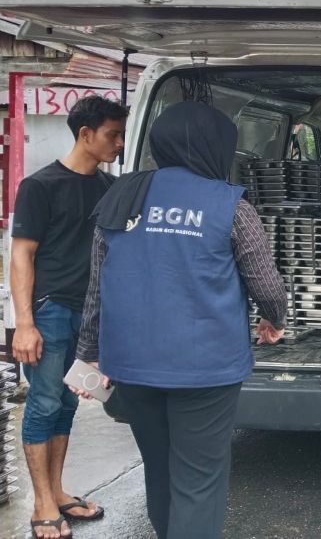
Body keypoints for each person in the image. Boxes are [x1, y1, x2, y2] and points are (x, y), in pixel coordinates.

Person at [71, 102, 288, 539]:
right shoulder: (229, 204)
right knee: (199, 480)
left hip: (133, 365)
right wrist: (274, 318)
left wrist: (88, 355)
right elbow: (265, 281)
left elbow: (98, 286)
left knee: (160, 467)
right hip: (205, 370)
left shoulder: (122, 196)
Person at [10, 96, 125, 539]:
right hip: (49, 310)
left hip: (89, 315)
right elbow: (22, 255)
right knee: (42, 402)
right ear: (85, 134)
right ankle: (41, 503)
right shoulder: (40, 185)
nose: (118, 143)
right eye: (112, 134)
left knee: (69, 401)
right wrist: (24, 323)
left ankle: (57, 491)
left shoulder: (108, 189)